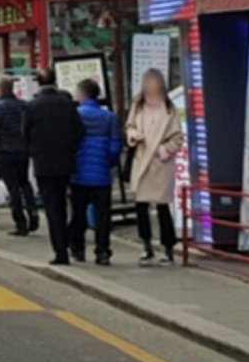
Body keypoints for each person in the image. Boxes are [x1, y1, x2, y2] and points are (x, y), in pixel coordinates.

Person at [22, 70, 85, 266]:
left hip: (43, 162)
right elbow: (79, 131)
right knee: (65, 202)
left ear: (38, 84)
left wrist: (35, 150)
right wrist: (69, 148)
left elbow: (24, 133)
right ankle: (73, 243)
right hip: (65, 160)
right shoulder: (67, 104)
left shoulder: (32, 105)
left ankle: (60, 251)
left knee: (52, 207)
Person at [126, 69, 185, 266]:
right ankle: (146, 246)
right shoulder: (138, 105)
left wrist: (164, 149)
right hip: (142, 160)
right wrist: (133, 135)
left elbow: (178, 137)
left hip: (160, 163)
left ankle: (168, 248)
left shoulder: (169, 109)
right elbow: (130, 126)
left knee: (162, 207)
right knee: (141, 206)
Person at [71, 78, 122, 265]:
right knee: (102, 216)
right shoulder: (109, 117)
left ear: (82, 94)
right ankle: (102, 251)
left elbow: (70, 142)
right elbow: (116, 146)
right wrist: (108, 162)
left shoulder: (75, 115)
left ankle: (77, 248)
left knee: (78, 213)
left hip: (79, 173)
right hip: (102, 175)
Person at [0, 78, 37, 238]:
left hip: (5, 151)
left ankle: (20, 222)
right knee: (25, 182)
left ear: (0, 90)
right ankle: (32, 211)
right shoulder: (25, 106)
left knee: (13, 187)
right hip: (23, 149)